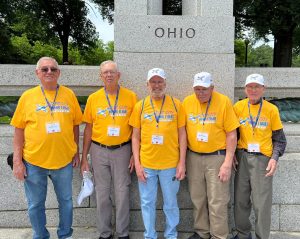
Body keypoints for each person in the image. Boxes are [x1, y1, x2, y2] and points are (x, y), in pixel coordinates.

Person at [11, 56, 82, 239]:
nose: (49, 72)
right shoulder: (27, 97)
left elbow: (75, 125)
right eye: (44, 69)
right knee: (35, 204)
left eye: (53, 69)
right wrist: (18, 162)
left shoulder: (69, 95)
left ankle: (65, 234)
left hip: (64, 161)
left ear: (59, 73)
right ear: (37, 73)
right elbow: (19, 131)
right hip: (34, 162)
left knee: (66, 202)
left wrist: (76, 151)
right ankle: (40, 235)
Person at [80, 60, 137, 239]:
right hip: (98, 150)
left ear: (118, 75)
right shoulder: (93, 98)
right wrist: (84, 158)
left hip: (123, 150)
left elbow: (137, 129)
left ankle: (122, 233)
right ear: (101, 76)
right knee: (102, 193)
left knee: (122, 192)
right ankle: (105, 233)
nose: (109, 75)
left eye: (112, 72)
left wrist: (135, 155)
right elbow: (88, 129)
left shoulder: (131, 97)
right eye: (105, 72)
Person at [129, 68, 187, 239]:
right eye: (153, 82)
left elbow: (183, 135)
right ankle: (149, 235)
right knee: (147, 203)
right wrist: (138, 164)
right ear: (147, 84)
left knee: (170, 203)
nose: (156, 85)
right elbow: (135, 137)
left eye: (159, 81)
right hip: (147, 165)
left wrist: (182, 163)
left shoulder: (177, 104)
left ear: (165, 83)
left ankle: (171, 235)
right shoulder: (140, 106)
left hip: (170, 165)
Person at [183, 72, 239, 239]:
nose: (200, 93)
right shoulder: (187, 102)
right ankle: (202, 232)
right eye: (197, 89)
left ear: (212, 88)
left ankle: (219, 235)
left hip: (217, 157)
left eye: (204, 89)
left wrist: (227, 162)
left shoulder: (223, 102)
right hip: (193, 157)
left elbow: (231, 134)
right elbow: (182, 133)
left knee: (218, 200)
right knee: (197, 198)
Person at [232, 74, 287, 239]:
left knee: (261, 203)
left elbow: (280, 140)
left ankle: (262, 236)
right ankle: (242, 235)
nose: (253, 90)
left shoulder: (271, 109)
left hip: (263, 159)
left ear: (263, 89)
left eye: (257, 87)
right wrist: (232, 154)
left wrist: (274, 159)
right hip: (242, 157)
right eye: (250, 86)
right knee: (240, 200)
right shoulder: (238, 107)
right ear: (245, 89)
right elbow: (233, 134)